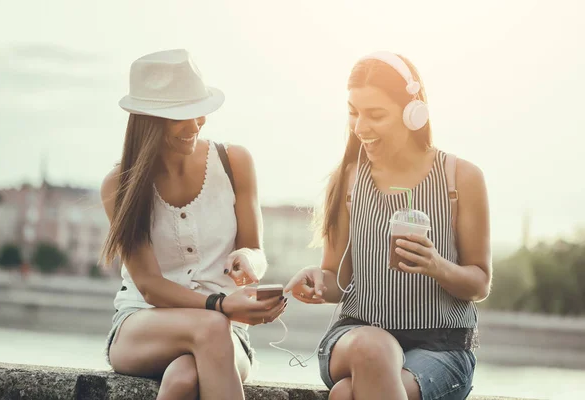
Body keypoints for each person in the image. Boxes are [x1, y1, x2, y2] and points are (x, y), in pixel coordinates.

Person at [285, 51, 491, 400]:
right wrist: (317, 279)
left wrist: (435, 265)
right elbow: (338, 282)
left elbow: (479, 284)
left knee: (346, 394)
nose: (360, 127)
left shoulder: (462, 178)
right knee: (374, 349)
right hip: (356, 338)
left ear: (414, 113)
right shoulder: (347, 181)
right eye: (353, 112)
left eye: (375, 115)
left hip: (441, 349)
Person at [100, 49, 286, 400]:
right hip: (143, 325)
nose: (195, 125)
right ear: (148, 120)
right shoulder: (118, 185)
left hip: (228, 332)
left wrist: (248, 259)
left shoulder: (235, 162)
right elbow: (150, 287)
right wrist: (220, 305)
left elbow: (256, 251)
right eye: (179, 116)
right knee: (211, 326)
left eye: (198, 112)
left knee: (183, 380)